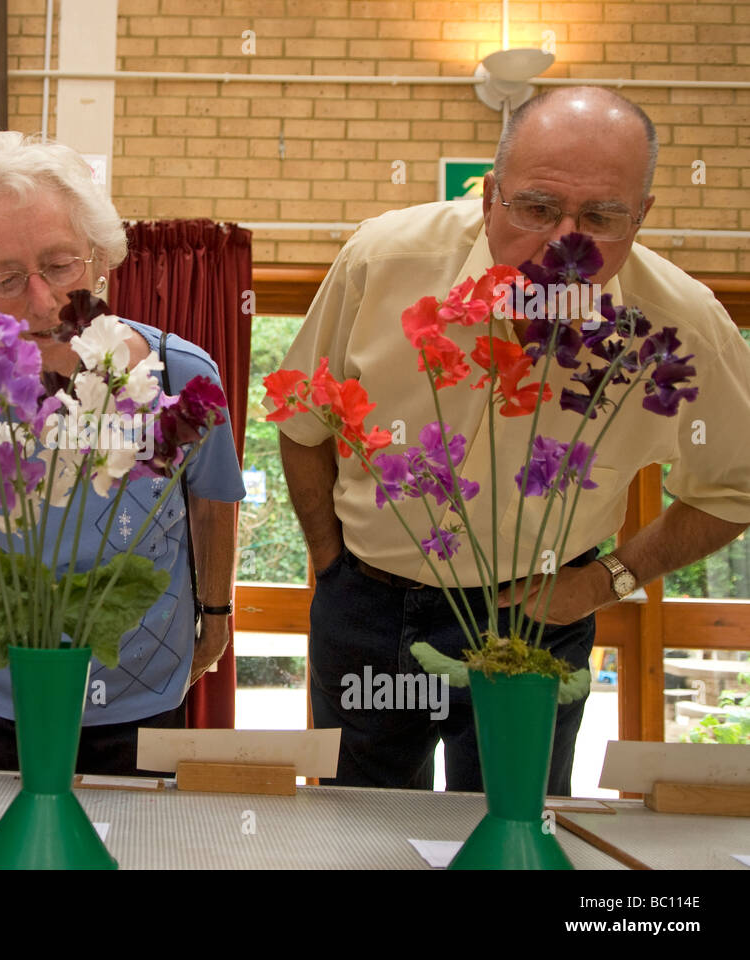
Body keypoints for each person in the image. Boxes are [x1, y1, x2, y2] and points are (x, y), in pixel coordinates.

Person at [278, 87, 750, 795]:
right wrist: (330, 562)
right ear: (490, 195)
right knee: (357, 826)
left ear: (642, 216)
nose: (566, 243)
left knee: (512, 832)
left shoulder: (680, 322)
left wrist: (608, 581)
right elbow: (302, 420)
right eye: (536, 208)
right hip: (369, 608)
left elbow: (736, 487)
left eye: (601, 217)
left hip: (535, 621)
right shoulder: (385, 260)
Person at [0, 131, 245, 775]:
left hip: (141, 686)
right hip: (2, 696)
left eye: (60, 265)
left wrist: (216, 613)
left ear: (99, 257)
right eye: (8, 278)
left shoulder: (179, 375)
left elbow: (212, 504)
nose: (43, 303)